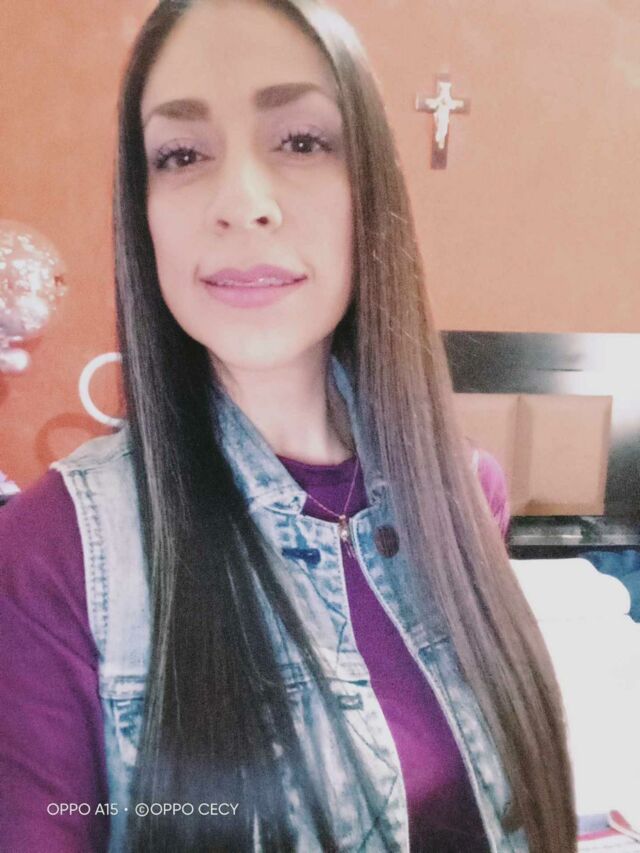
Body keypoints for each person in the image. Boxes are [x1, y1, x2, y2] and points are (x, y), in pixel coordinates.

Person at [0, 1, 576, 850]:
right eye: (182, 154)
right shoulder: (53, 551)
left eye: (302, 141)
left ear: (369, 188)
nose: (241, 202)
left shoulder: (463, 492)